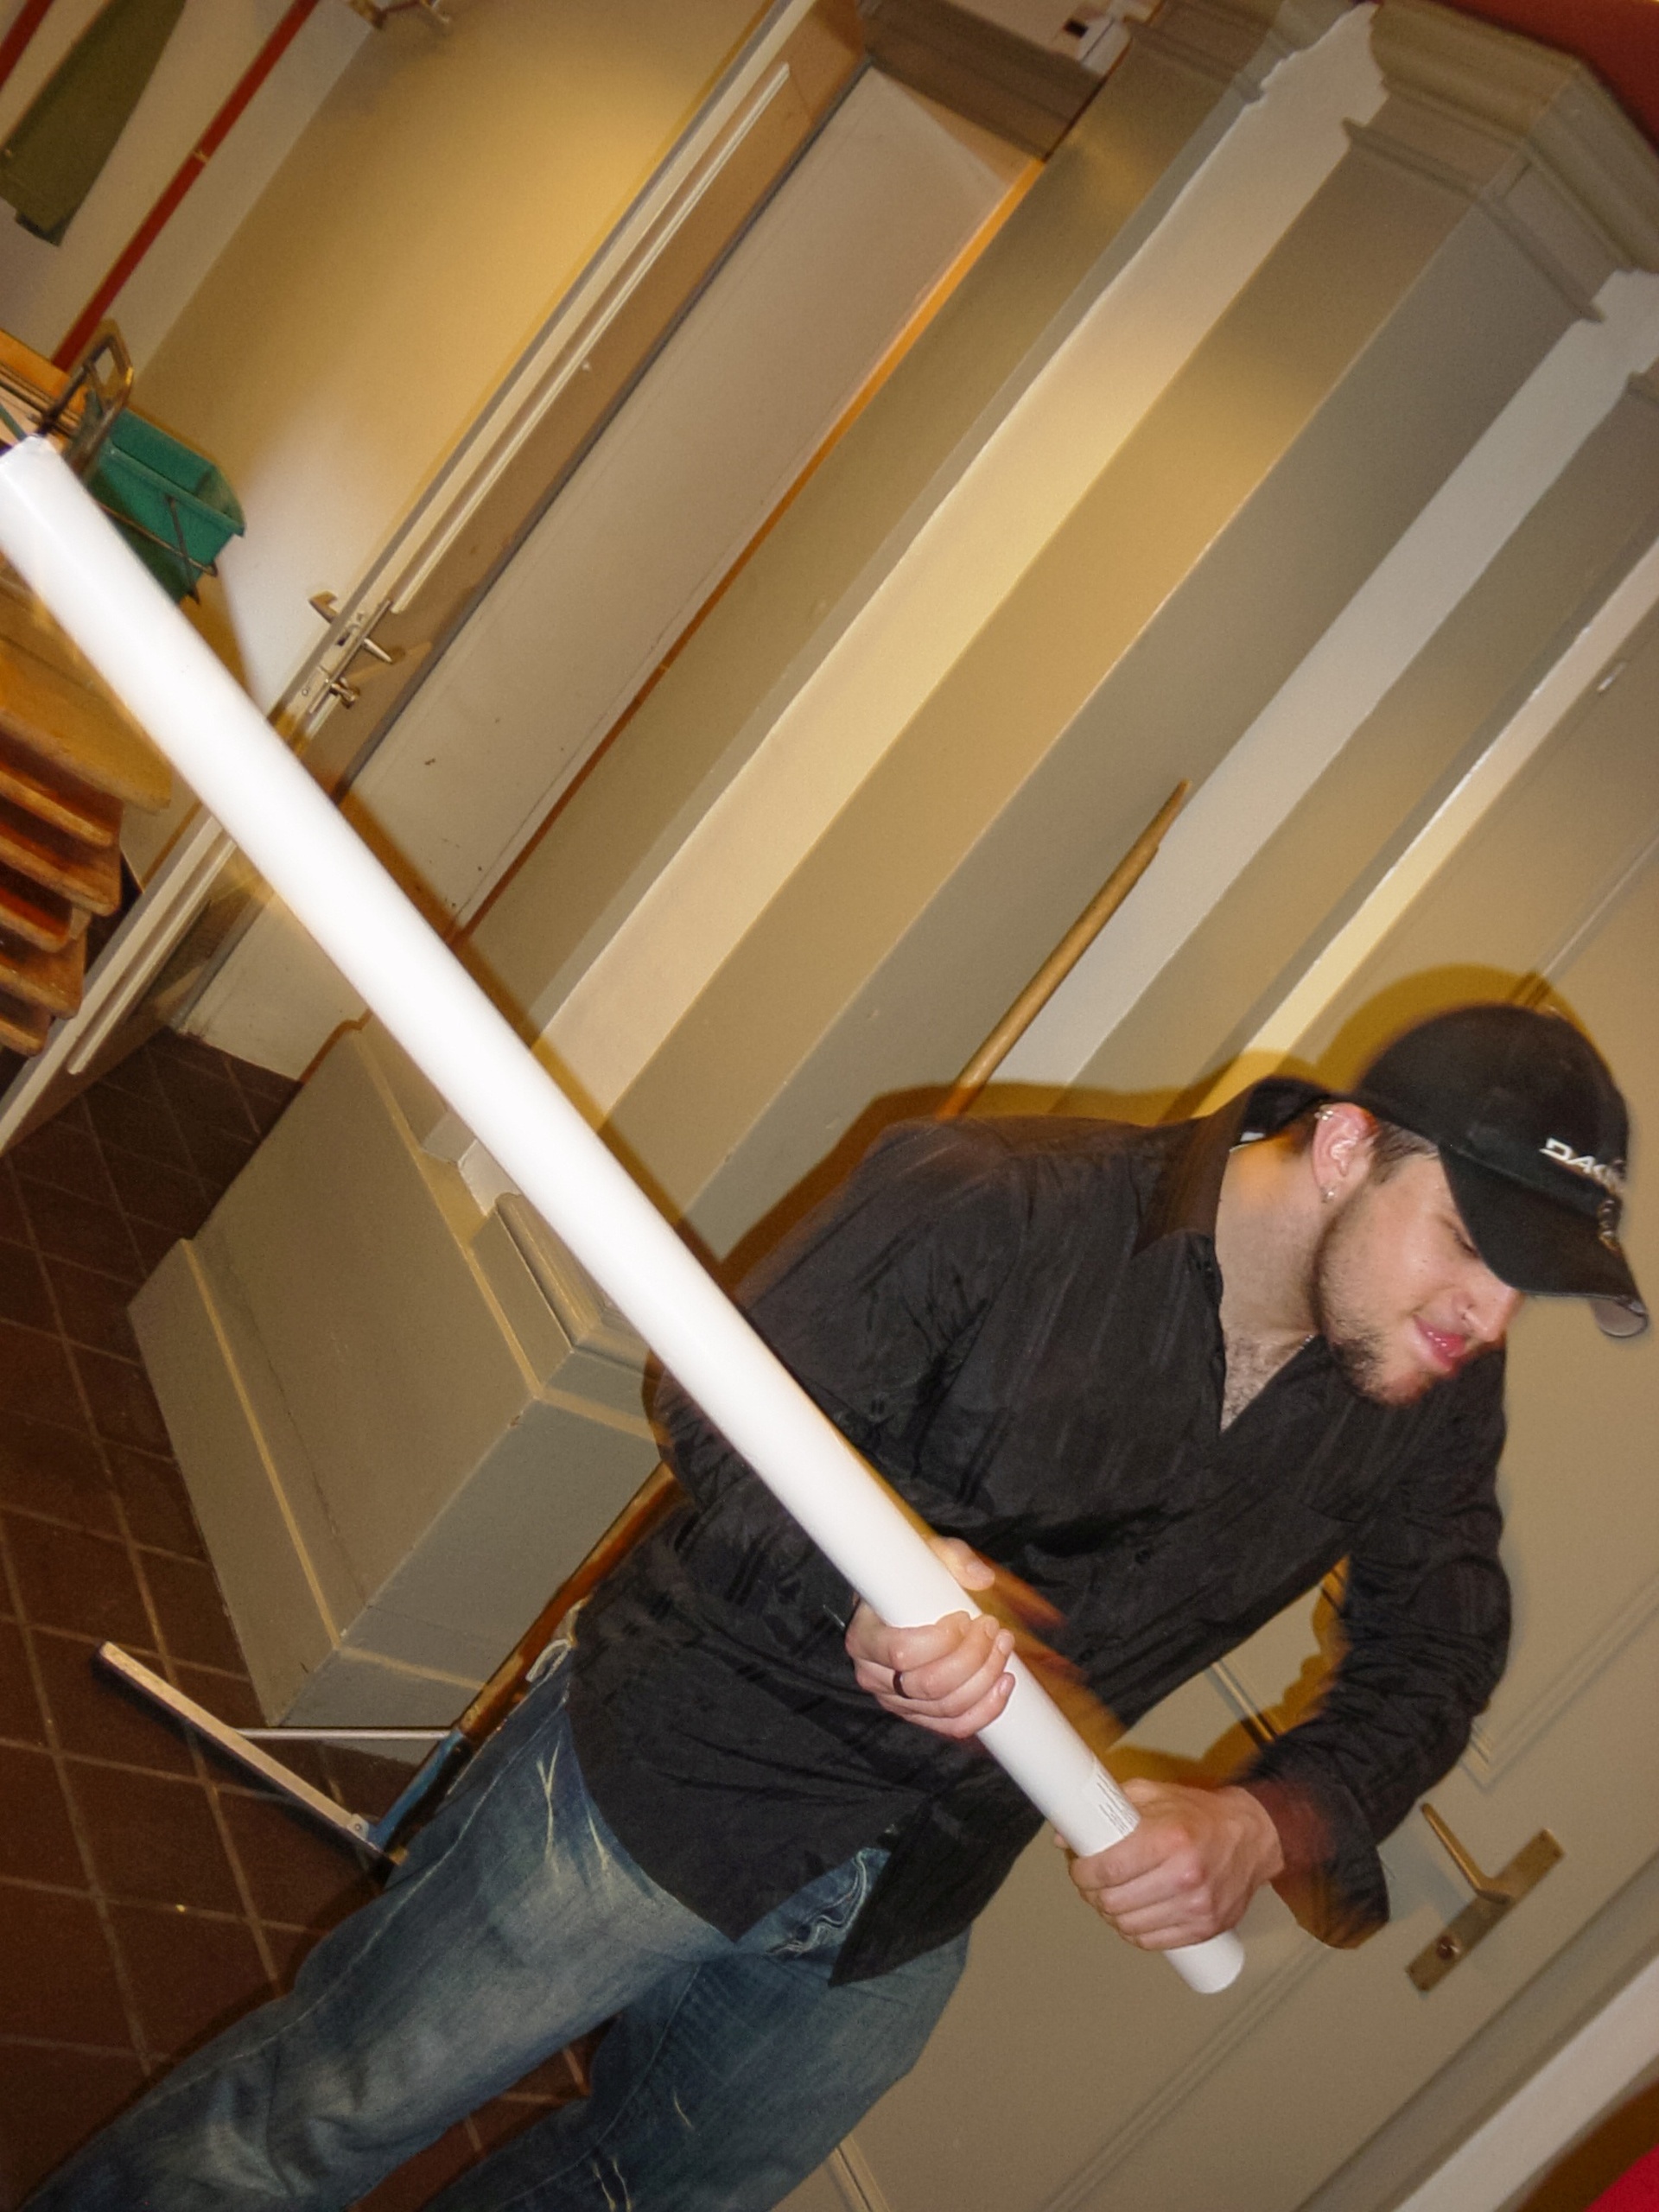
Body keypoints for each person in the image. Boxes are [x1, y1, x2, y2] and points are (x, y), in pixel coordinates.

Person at [30, 1002, 1646, 2212]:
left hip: (907, 1908)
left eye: (1529, 1287)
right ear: (1349, 1147)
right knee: (307, 2126)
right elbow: (717, 1412)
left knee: (640, 2197)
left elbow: (1440, 1652)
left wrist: (1264, 1823)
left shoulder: (1428, 1399)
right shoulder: (996, 1200)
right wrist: (866, 1578)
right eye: (1469, 1246)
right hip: (668, 1781)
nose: (1485, 1317)